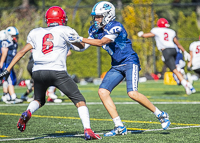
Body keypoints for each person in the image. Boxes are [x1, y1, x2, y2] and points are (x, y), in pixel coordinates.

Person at [67, 1, 171, 137]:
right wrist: (70, 43)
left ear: (108, 15)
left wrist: (80, 38)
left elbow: (101, 42)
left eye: (99, 16)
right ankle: (119, 126)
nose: (96, 19)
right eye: (95, 16)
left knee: (132, 93)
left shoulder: (116, 26)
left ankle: (161, 114)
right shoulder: (94, 29)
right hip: (116, 65)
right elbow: (83, 47)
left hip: (129, 62)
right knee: (103, 92)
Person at [0, 6, 101, 140]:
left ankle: (28, 112)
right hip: (57, 71)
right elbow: (81, 48)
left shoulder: (36, 32)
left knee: (38, 100)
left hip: (38, 72)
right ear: (62, 19)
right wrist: (90, 36)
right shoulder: (65, 30)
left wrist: (7, 70)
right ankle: (88, 130)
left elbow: (21, 52)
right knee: (80, 101)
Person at [137, 18, 196, 95]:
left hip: (166, 51)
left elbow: (147, 35)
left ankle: (186, 83)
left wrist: (141, 34)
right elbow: (177, 44)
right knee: (175, 69)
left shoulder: (157, 30)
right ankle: (184, 80)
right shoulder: (171, 31)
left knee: (173, 70)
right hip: (174, 50)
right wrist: (185, 51)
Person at [0, 27, 23, 103]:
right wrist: (1, 63)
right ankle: (13, 96)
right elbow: (4, 54)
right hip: (6, 64)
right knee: (10, 80)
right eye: (13, 35)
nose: (15, 37)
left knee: (10, 80)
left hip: (10, 64)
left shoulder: (13, 43)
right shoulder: (5, 42)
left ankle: (6, 96)